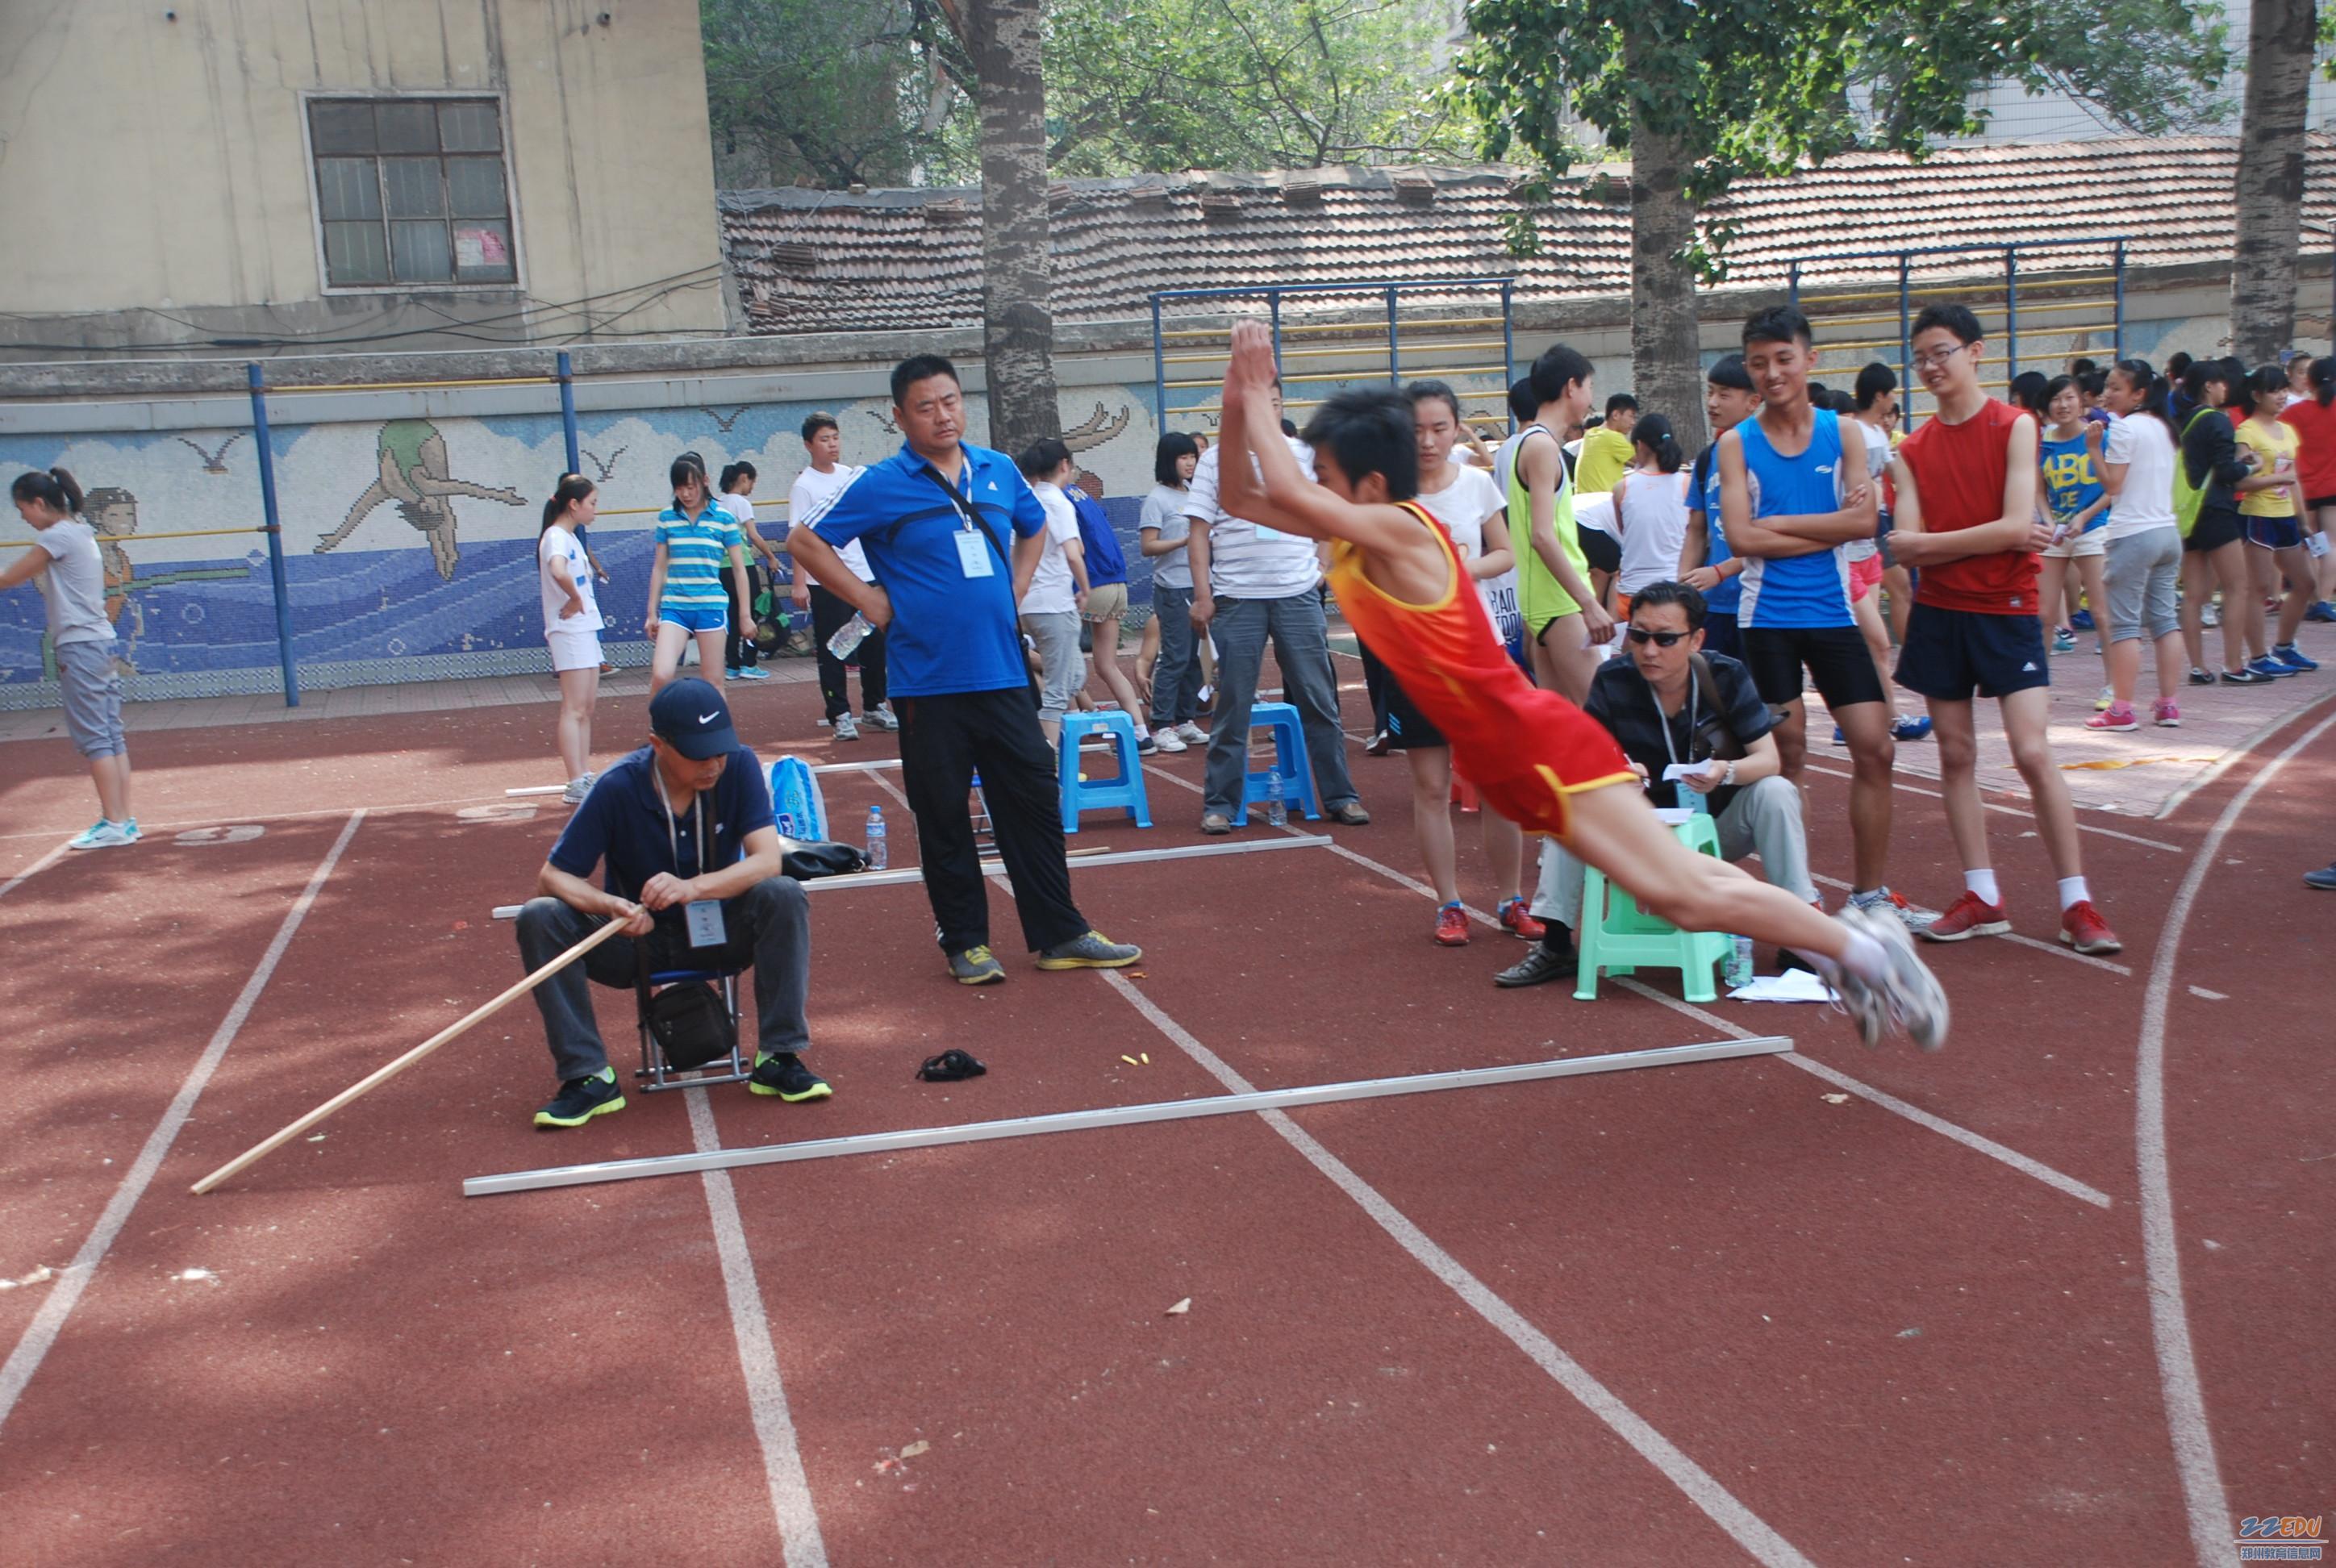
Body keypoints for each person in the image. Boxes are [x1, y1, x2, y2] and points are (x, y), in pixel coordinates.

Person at [1208, 322, 1946, 1050]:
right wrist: (1238, 395)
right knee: (1679, 890)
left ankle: (1861, 949)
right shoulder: (1351, 536)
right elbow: (1241, 491)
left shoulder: (1403, 530)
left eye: (1325, 478)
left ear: (1367, 485)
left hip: (1536, 742)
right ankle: (1846, 951)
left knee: (1682, 895)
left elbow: (1279, 483)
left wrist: (1259, 387)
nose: (1311, 490)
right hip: (1508, 765)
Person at [787, 354, 1141, 983]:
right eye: (925, 406)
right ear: (900, 416)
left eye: (949, 401)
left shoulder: (998, 470)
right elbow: (805, 542)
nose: (941, 414)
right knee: (945, 814)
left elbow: (1032, 530)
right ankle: (966, 941)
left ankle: (1059, 932)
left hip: (1004, 673)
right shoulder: (881, 483)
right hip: (928, 683)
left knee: (1031, 804)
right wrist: (869, 599)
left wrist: (1018, 585)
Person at [1889, 302, 2120, 955]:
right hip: (1941, 613)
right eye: (1923, 357)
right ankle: (1982, 894)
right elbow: (1906, 549)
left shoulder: (2016, 425)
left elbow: (2018, 524)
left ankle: (2078, 902)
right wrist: (1983, 538)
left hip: (2008, 609)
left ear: (1976, 351)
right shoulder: (1911, 450)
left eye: (1943, 352)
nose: (1932, 366)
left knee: (2031, 751)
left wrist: (1942, 542)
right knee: (1955, 754)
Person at [515, 678, 828, 1127]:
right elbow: (553, 876)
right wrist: (610, 907)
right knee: (539, 915)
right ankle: (588, 1078)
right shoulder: (618, 786)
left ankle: (779, 1057)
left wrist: (693, 887)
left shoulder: (737, 768)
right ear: (658, 745)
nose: (713, 764)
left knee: (783, 894)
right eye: (699, 754)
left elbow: (767, 863)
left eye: (720, 749)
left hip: (717, 930)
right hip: (636, 943)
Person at [1501, 580, 1820, 986]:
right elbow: (1581, 765)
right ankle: (1557, 944)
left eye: (1666, 639)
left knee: (1777, 792)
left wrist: (1726, 771)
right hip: (1639, 830)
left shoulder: (1726, 675)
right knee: (1571, 807)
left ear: (1696, 639)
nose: (1650, 651)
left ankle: (1801, 931)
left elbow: (1770, 760)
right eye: (1639, 636)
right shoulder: (1613, 679)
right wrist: (1617, 776)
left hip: (1712, 831)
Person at [1718, 306, 1907, 922]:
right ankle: (1795, 898)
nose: (1771, 374)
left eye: (1782, 359)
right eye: (1758, 364)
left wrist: (1782, 523)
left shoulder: (1845, 433)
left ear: (1809, 361)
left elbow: (1865, 524)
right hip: (1766, 617)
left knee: (1875, 749)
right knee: (1788, 754)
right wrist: (1826, 529)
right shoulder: (1735, 443)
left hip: (1831, 611)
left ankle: (1869, 896)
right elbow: (1742, 541)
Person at [1183, 374, 1368, 833]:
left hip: (1298, 594)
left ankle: (1341, 796)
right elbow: (1199, 532)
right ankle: (1221, 805)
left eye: (1274, 402)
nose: (1264, 411)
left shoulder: (1305, 456)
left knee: (1320, 700)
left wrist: (1322, 566)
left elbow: (1330, 517)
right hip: (1236, 598)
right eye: (1254, 403)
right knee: (1233, 707)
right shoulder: (1213, 462)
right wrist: (1204, 595)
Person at [1400, 378, 1536, 945]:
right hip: (1416, 653)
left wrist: (1459, 571)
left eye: (1439, 427)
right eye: (1416, 431)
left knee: (1500, 779)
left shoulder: (1478, 484)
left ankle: (1511, 898)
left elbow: (1505, 552)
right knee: (1431, 787)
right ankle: (1449, 904)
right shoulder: (1386, 493)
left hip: (1478, 649)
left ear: (1456, 428)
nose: (1428, 440)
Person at [4, 468, 134, 849]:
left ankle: (114, 822)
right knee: (110, 733)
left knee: (97, 738)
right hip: (98, 642)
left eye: (22, 508)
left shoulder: (57, 535)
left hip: (81, 646)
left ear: (39, 503)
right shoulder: (78, 530)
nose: (23, 517)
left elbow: (10, 577)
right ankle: (121, 820)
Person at [1513, 345, 1614, 704]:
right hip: (1559, 602)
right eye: (1589, 386)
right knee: (1604, 721)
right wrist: (1588, 603)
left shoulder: (1526, 443)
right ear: (1571, 386)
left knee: (1562, 732)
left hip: (1543, 602)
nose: (1591, 398)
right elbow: (1542, 535)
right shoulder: (1541, 447)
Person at [2090, 360, 2188, 730]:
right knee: (2165, 620)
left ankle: (2122, 709)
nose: (2108, 394)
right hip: (2167, 533)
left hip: (2133, 533)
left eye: (2117, 387)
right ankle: (2168, 705)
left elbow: (2113, 486)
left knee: (2125, 626)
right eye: (2108, 386)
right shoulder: (2165, 428)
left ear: (2139, 393)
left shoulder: (2125, 428)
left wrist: (2094, 448)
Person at [786, 413, 895, 740]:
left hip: (865, 575)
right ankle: (840, 714)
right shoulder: (804, 485)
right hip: (828, 580)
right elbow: (798, 536)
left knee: (876, 645)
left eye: (835, 437)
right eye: (824, 439)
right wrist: (800, 582)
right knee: (835, 647)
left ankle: (876, 705)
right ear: (808, 445)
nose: (832, 444)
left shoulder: (851, 476)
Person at [2178, 358, 2275, 684]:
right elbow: (2226, 472)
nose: (2226, 388)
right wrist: (2252, 465)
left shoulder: (2185, 421)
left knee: (2193, 595)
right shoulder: (2218, 421)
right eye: (2221, 383)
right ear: (2209, 386)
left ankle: (2197, 667)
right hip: (2217, 511)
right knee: (2236, 586)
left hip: (2189, 513)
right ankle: (2233, 665)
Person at [2235, 364, 2318, 672]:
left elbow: (2293, 477)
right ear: (2256, 395)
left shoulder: (2287, 431)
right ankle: (2258, 658)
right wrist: (2273, 481)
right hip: (2258, 515)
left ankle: (2284, 646)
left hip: (2286, 517)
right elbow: (2240, 481)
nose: (2282, 395)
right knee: (2258, 589)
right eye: (2274, 390)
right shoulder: (2247, 431)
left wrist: (2303, 520)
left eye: (2284, 388)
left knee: (2306, 582)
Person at [646, 454, 752, 696]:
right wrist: (651, 612)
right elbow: (659, 566)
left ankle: (719, 733)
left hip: (710, 606)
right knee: (661, 673)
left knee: (713, 681)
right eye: (679, 488)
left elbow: (739, 568)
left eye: (690, 487)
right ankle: (660, 730)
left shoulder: (724, 519)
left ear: (704, 482)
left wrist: (745, 615)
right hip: (675, 606)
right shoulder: (667, 519)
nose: (685, 494)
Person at [1067, 471, 1158, 751]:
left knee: (1055, 661)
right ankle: (1141, 733)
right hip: (1117, 582)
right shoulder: (1085, 498)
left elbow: (1073, 549)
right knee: (1107, 665)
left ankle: (1071, 730)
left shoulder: (1052, 499)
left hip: (1089, 583)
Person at [1013, 440, 1094, 749]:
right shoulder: (1059, 503)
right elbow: (1074, 554)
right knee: (1060, 688)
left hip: (1027, 604)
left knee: (1071, 677)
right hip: (1053, 603)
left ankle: (1045, 745)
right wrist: (1085, 589)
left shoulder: (1027, 502)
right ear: (1064, 465)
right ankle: (1048, 760)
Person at [1679, 355, 1759, 659]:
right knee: (1712, 693)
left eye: (1724, 395)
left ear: (1753, 402)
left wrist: (1721, 571)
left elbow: (1773, 533)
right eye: (1710, 392)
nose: (1712, 402)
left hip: (1758, 602)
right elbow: (1696, 531)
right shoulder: (1707, 458)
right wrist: (1682, 586)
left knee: (1760, 699)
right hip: (1713, 604)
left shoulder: (1767, 454)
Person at [2034, 377, 2113, 664]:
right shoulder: (2043, 442)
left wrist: (2084, 516)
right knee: (2044, 613)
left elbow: (2113, 488)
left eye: (2069, 398)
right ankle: (2038, 683)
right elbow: (2039, 488)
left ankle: (2113, 686)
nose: (2063, 405)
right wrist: (2047, 520)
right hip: (2056, 532)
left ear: (2082, 401)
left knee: (2102, 612)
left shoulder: (2098, 436)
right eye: (2056, 399)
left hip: (2093, 529)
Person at [539, 473, 605, 803]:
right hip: (569, 630)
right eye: (592, 504)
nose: (595, 510)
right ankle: (574, 779)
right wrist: (575, 599)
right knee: (574, 707)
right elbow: (558, 570)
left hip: (584, 628)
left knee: (586, 707)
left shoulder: (571, 537)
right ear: (573, 504)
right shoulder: (557, 537)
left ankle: (583, 773)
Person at [1138, 433, 1207, 749]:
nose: (1191, 462)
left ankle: (1186, 720)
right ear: (1169, 461)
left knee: (1194, 657)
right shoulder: (1158, 499)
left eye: (1192, 456)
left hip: (1197, 584)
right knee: (1176, 656)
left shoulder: (1195, 492)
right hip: (1173, 587)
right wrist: (1184, 541)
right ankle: (1163, 724)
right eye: (1183, 457)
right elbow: (1148, 546)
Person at [1609, 415, 1689, 619]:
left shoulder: (1622, 487)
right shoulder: (1686, 484)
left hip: (1630, 593)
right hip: (1673, 592)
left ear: (1640, 445)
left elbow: (1624, 531)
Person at [2278, 355, 2336, 621]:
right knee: (2333, 545)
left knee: (2312, 544)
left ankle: (2314, 599)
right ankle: (2325, 599)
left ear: (2309, 381)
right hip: (2333, 485)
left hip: (2304, 487)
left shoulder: (2293, 414)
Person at [714, 462, 776, 684]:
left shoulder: (717, 503)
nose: (752, 487)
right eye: (752, 481)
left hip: (721, 568)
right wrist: (771, 557)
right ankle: (750, 663)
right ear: (743, 478)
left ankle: (732, 665)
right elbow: (754, 536)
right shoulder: (741, 503)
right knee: (751, 613)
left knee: (730, 616)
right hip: (742, 565)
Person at [1575, 394, 1639, 493]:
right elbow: (1645, 461)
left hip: (1582, 500)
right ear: (1616, 415)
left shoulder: (1591, 434)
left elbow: (1631, 463)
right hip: (1602, 502)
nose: (1633, 422)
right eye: (1631, 416)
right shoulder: (1612, 437)